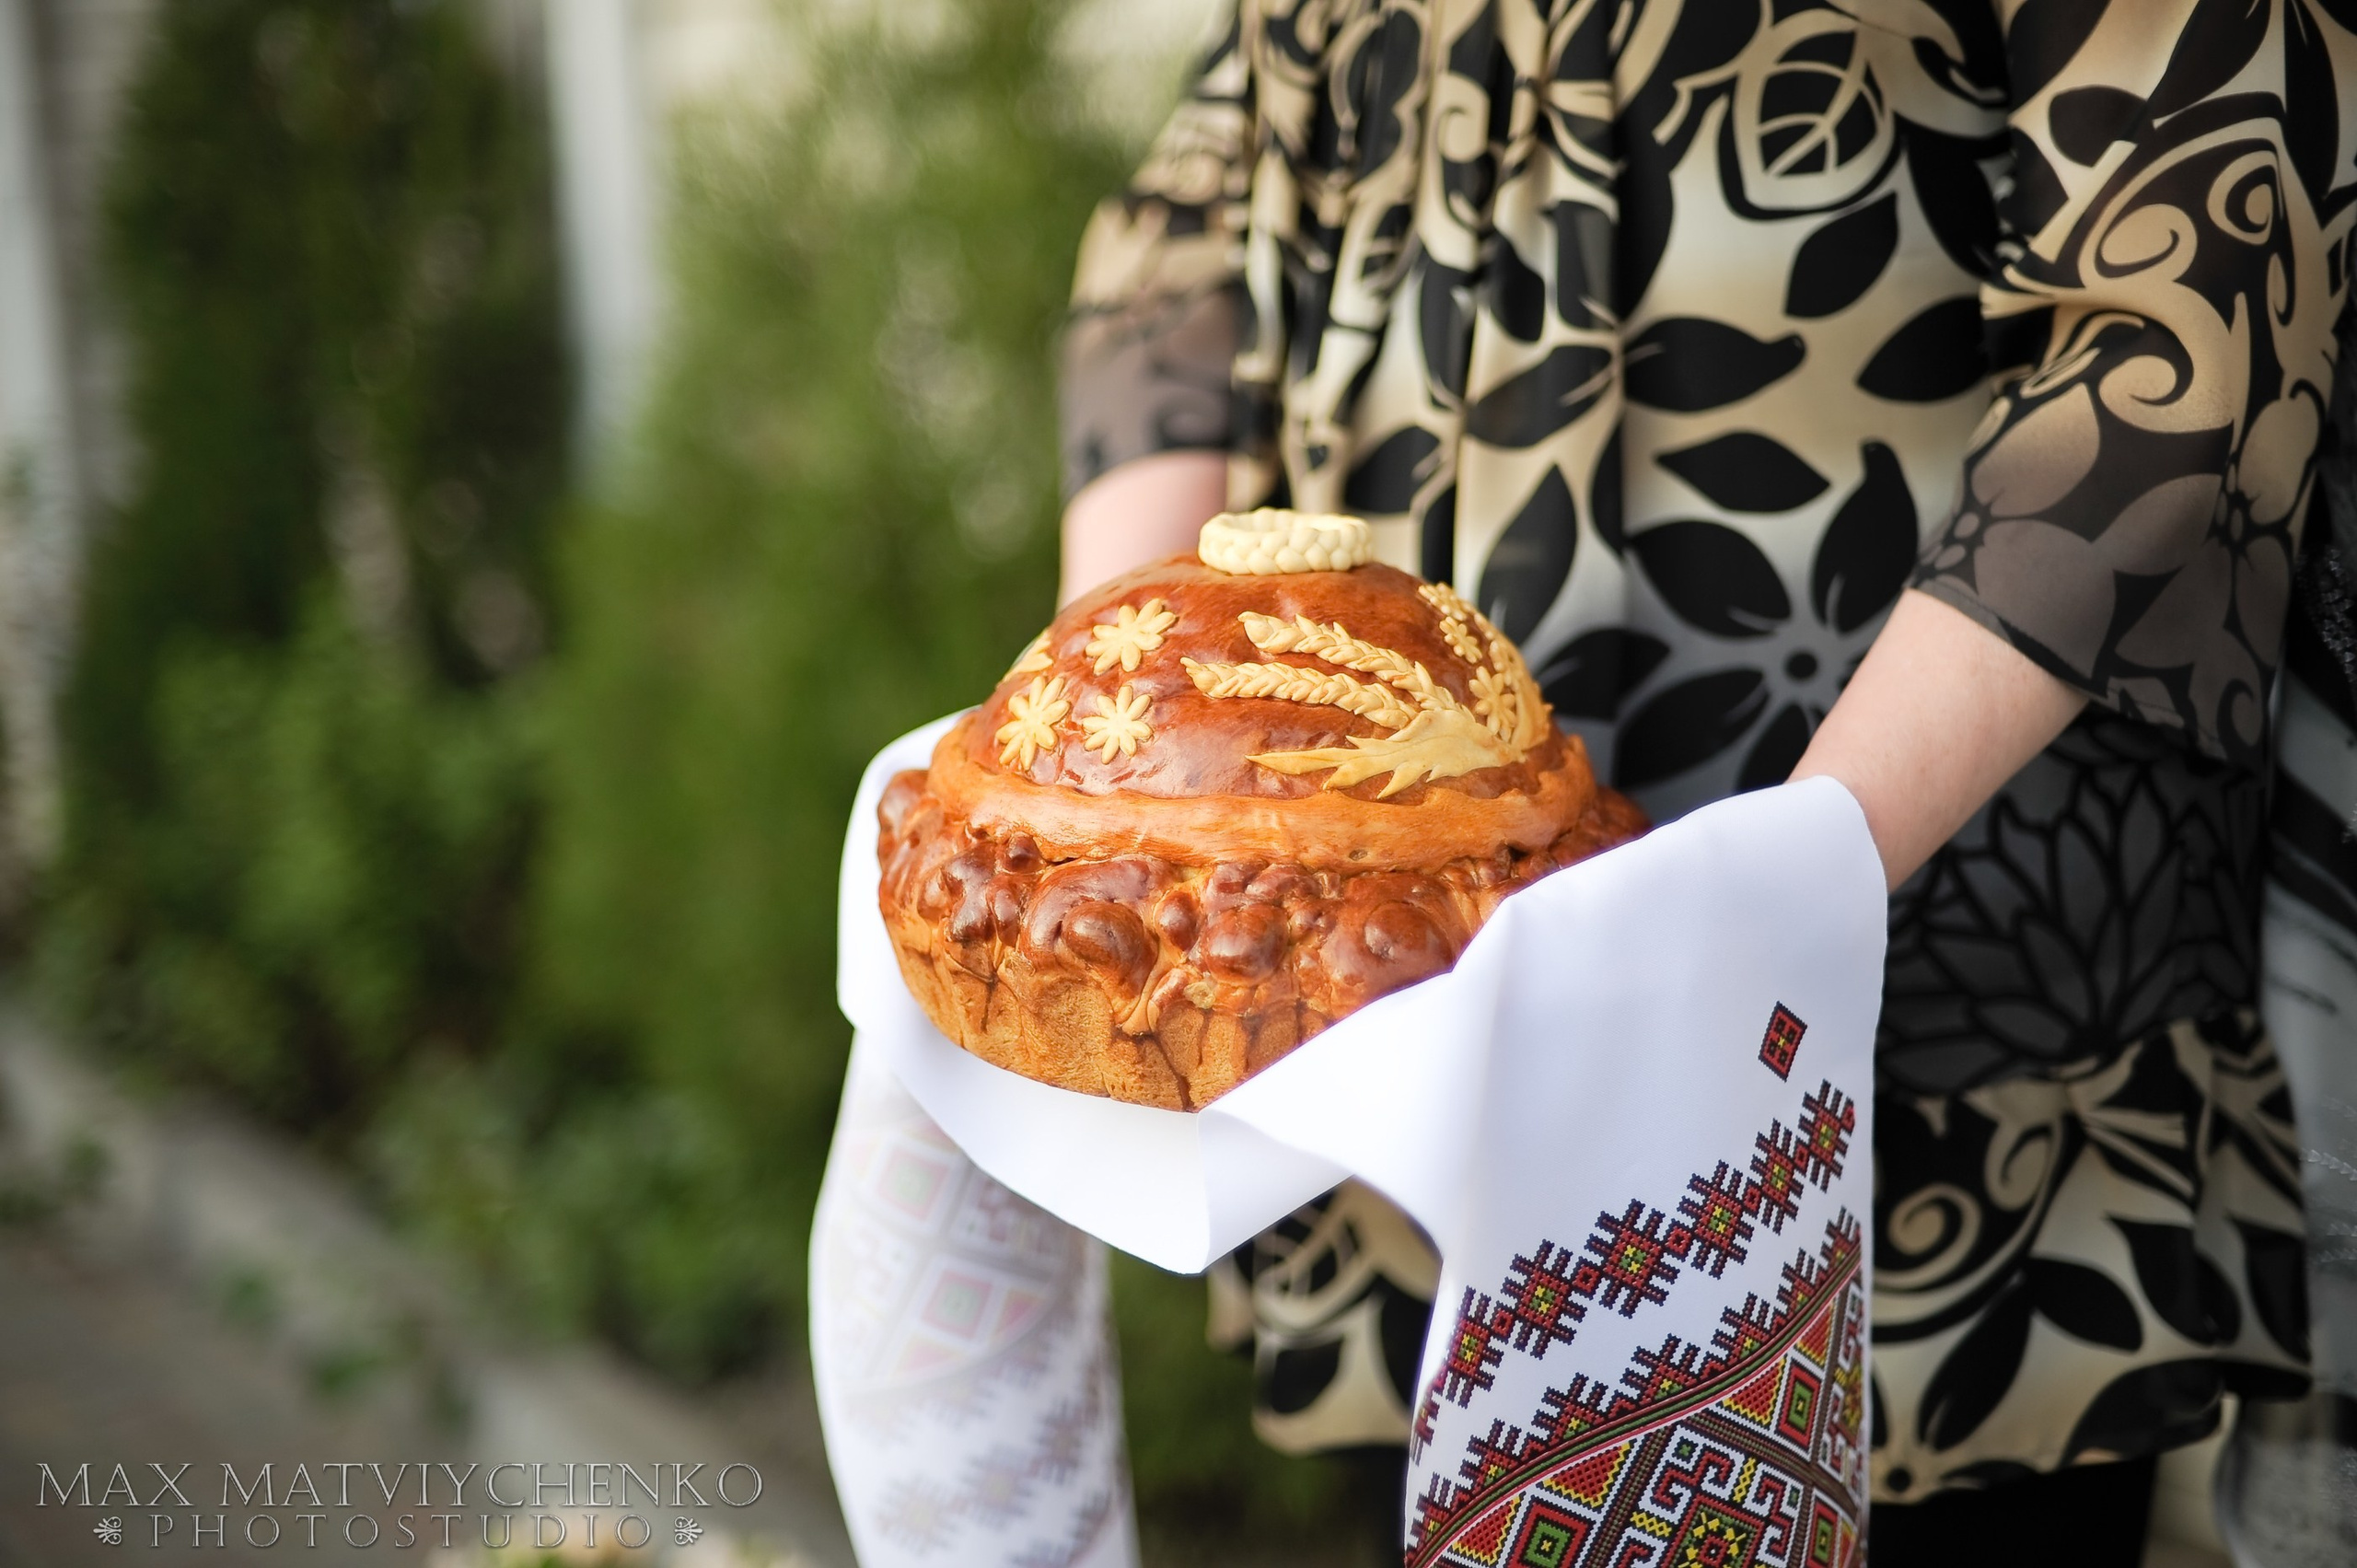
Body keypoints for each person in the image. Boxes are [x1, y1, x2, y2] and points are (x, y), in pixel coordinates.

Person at [1053, 1, 2344, 1561]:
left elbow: (2194, 303)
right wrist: (1111, 728)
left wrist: (1783, 896)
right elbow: (1190, 217)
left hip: (1932, 940)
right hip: (1379, 995)